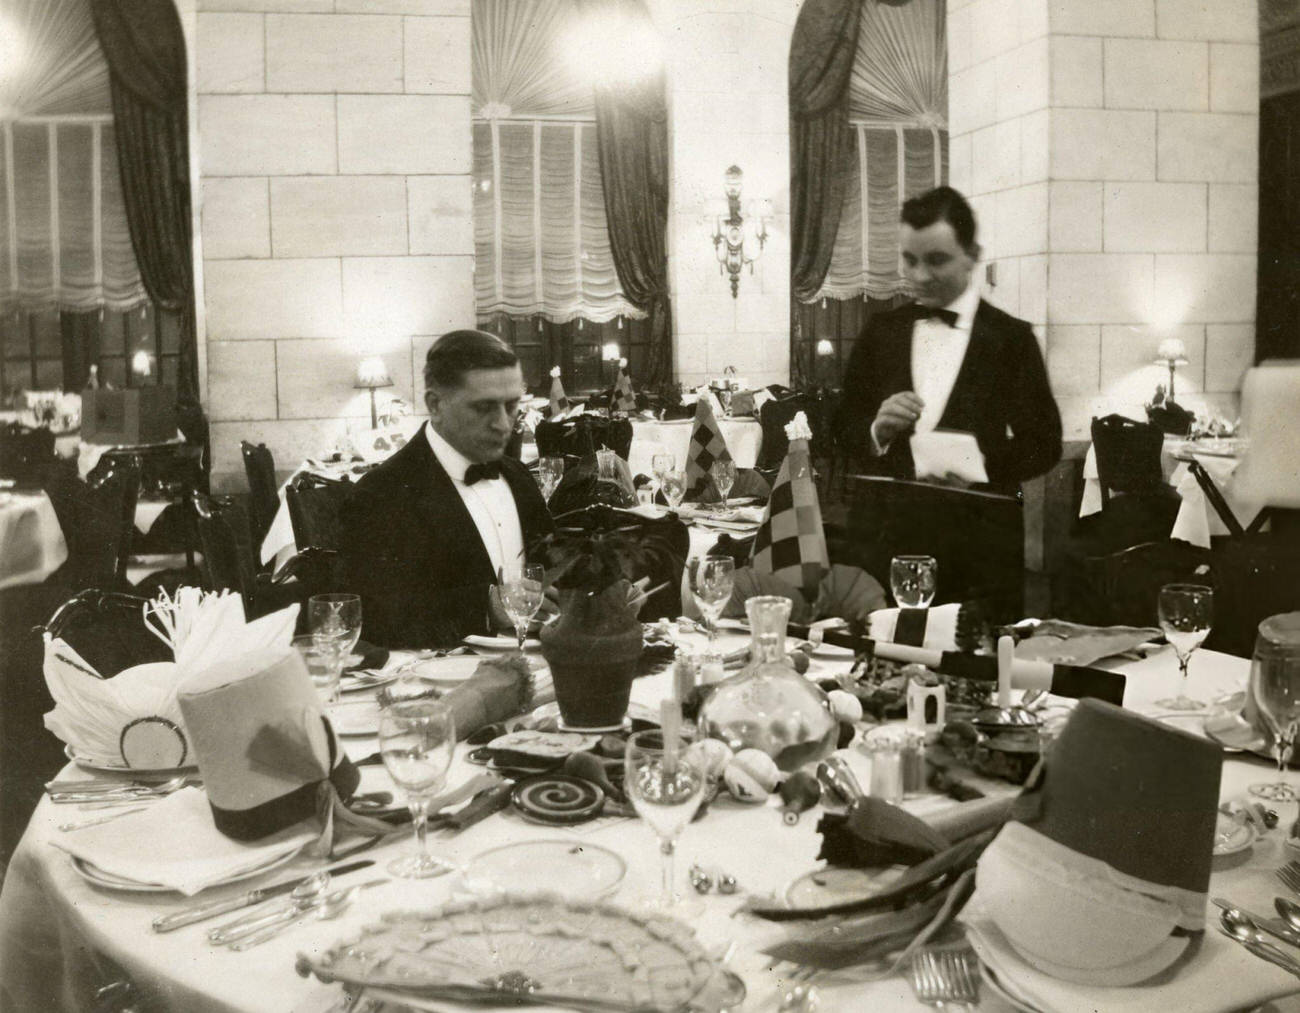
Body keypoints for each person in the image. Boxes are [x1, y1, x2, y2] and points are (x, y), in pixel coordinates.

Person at [834, 186, 1062, 493]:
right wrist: (877, 430)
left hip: (978, 530)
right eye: (910, 260)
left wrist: (982, 468)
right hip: (887, 531)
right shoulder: (881, 330)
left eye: (936, 260)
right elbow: (840, 428)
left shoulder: (1012, 339)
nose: (920, 276)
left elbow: (1044, 445)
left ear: (972, 256)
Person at [340, 330, 554, 648]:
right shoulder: (379, 494)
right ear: (436, 405)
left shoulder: (517, 475)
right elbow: (371, 619)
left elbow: (549, 565)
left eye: (511, 406)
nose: (503, 424)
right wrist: (486, 608)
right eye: (483, 408)